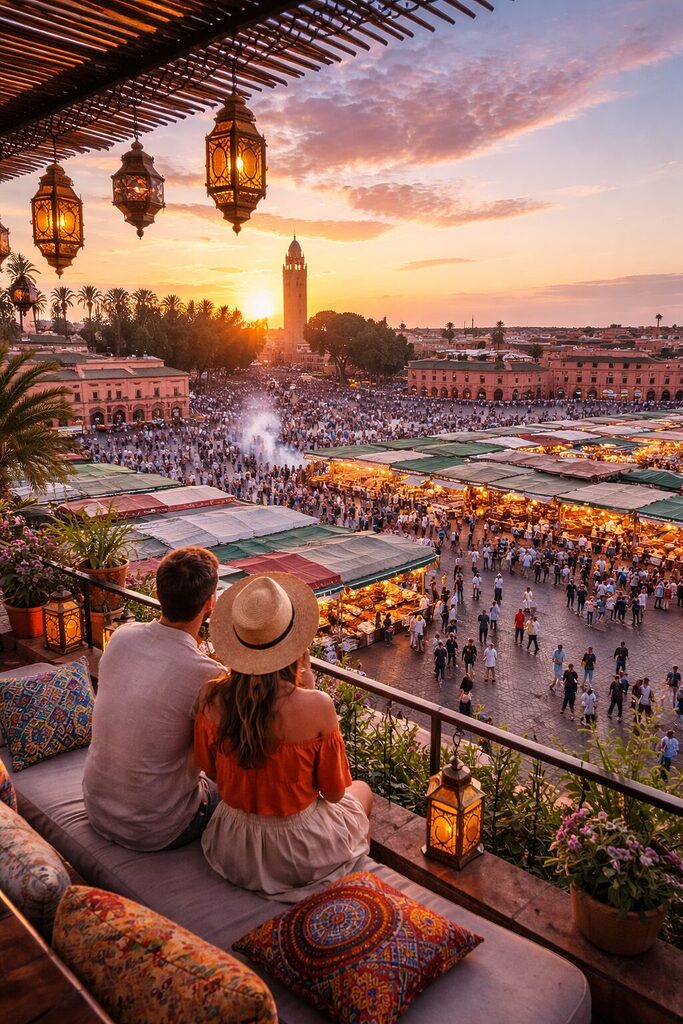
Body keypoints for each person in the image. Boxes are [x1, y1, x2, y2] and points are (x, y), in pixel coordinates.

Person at [194, 572, 372, 901]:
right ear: (295, 647)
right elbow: (333, 793)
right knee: (362, 791)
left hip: (233, 845)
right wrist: (309, 691)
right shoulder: (316, 706)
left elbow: (210, 771)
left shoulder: (210, 697)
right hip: (295, 851)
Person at [83, 547, 223, 851]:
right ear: (209, 603)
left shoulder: (121, 637)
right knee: (232, 788)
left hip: (97, 808)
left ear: (158, 594)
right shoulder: (206, 674)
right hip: (156, 829)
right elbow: (221, 760)